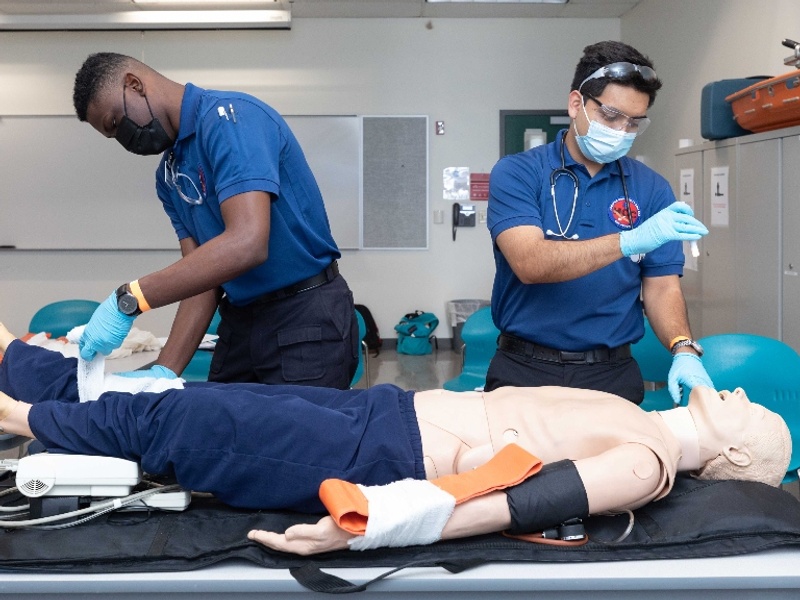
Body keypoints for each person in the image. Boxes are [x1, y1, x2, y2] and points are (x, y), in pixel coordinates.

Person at [0, 323, 791, 555]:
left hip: (379, 459)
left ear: (735, 460)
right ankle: (22, 364)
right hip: (384, 415)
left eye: (757, 414)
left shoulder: (645, 462)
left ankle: (15, 414)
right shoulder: (639, 410)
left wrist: (367, 530)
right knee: (188, 395)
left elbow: (514, 504)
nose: (745, 392)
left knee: (181, 423)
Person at [71, 52, 357, 389]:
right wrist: (164, 371)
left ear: (134, 85)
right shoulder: (169, 175)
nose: (124, 140)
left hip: (303, 315)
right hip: (242, 321)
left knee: (292, 438)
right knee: (219, 433)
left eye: (116, 123)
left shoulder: (230, 120)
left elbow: (247, 243)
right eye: (113, 136)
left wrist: (129, 299)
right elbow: (203, 279)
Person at [486, 41, 711, 405]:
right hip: (524, 369)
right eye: (610, 115)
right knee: (525, 465)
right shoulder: (519, 172)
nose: (622, 130)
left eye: (634, 122)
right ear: (577, 104)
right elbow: (530, 263)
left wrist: (683, 347)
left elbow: (662, 287)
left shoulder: (651, 187)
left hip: (611, 374)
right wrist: (627, 242)